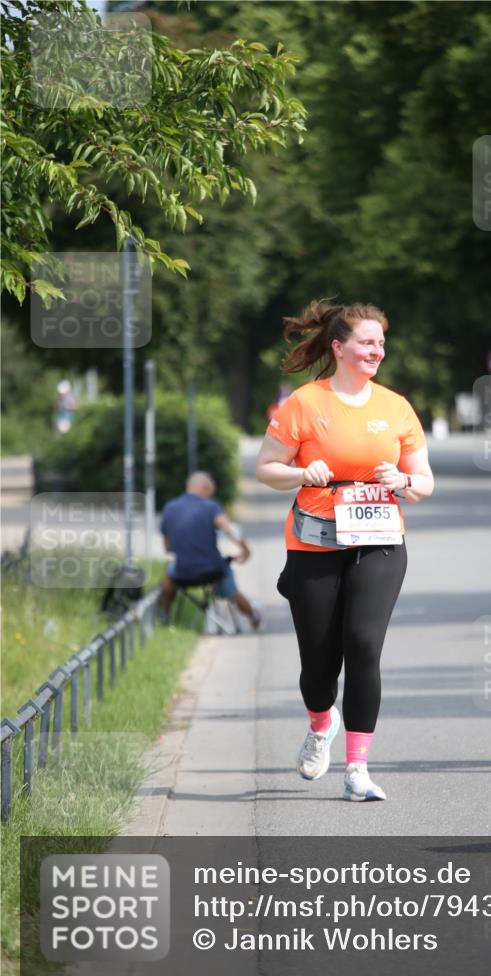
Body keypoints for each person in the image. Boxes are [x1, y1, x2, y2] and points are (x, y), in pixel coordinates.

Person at [256, 300, 434, 801]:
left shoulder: (396, 407)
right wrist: (300, 473)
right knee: (318, 662)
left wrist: (404, 481)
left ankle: (358, 768)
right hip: (315, 540)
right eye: (367, 342)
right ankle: (320, 723)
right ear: (338, 347)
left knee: (362, 645)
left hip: (380, 542)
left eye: (381, 343)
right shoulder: (305, 403)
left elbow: (425, 482)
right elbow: (266, 468)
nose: (377, 351)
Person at [158, 471, 262, 630]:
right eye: (210, 493)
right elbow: (230, 530)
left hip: (182, 573)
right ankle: (252, 615)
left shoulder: (170, 508)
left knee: (169, 569)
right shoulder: (211, 507)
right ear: (205, 488)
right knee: (231, 588)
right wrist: (245, 549)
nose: (209, 497)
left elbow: (167, 548)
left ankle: (165, 615)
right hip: (212, 572)